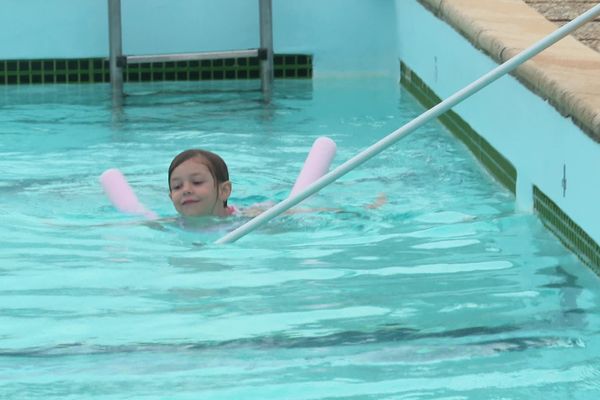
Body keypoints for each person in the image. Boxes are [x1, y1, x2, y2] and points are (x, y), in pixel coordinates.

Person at [168, 149, 236, 217]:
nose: (186, 190)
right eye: (177, 186)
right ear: (171, 198)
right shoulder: (166, 225)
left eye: (197, 182)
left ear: (224, 191)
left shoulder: (243, 220)